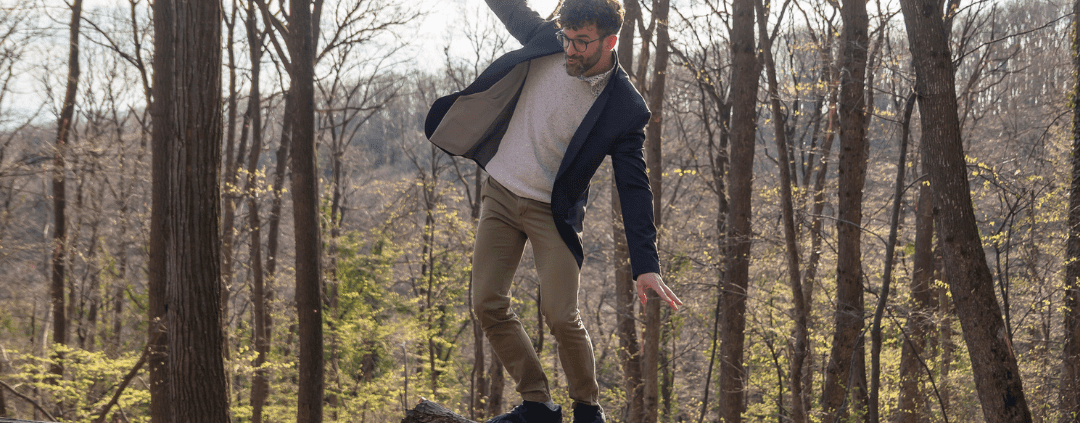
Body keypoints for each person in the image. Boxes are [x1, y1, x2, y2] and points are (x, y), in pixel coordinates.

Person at [424, 0, 681, 421]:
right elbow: (509, 7)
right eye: (568, 38)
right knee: (488, 302)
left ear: (609, 41)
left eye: (582, 42)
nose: (571, 50)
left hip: (552, 214)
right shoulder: (548, 39)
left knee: (561, 315)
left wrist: (646, 265)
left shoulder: (625, 107)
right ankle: (537, 404)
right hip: (502, 195)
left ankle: (587, 408)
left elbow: (634, 187)